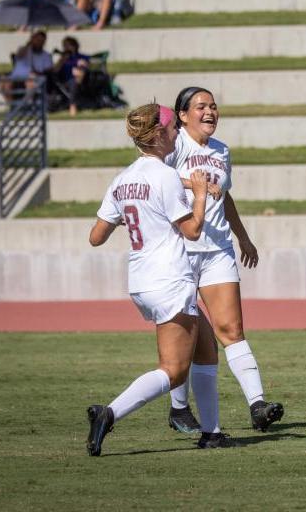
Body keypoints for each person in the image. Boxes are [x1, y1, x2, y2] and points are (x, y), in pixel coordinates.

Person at [86, 103, 233, 456]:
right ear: (156, 135)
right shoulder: (165, 175)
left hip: (141, 280)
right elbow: (193, 231)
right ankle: (109, 413)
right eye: (171, 128)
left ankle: (212, 431)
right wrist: (198, 194)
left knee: (207, 347)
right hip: (169, 278)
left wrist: (130, 216)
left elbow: (96, 236)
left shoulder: (122, 179)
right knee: (174, 371)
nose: (176, 133)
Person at [164, 86, 285, 435]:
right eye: (200, 106)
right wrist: (194, 183)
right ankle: (178, 408)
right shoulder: (173, 147)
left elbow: (225, 195)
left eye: (213, 106)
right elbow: (158, 178)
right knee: (184, 336)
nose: (209, 112)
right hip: (180, 250)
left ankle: (258, 405)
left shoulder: (221, 150)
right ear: (183, 115)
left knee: (231, 330)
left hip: (218, 249)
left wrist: (242, 235)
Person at [0, 30, 53, 103]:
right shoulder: (24, 50)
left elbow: (48, 70)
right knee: (4, 80)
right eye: (37, 40)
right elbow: (18, 55)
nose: (39, 42)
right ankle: (12, 105)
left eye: (41, 41)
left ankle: (26, 104)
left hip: (33, 77)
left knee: (31, 79)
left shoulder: (46, 55)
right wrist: (29, 44)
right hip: (16, 76)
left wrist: (36, 71)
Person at [52, 36, 89, 116]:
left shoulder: (81, 57)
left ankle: (73, 104)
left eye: (69, 45)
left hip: (82, 80)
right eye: (65, 46)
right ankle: (73, 105)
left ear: (75, 46)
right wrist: (62, 60)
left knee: (78, 74)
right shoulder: (63, 58)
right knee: (73, 82)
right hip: (65, 81)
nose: (67, 48)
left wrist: (83, 65)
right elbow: (55, 71)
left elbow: (90, 64)